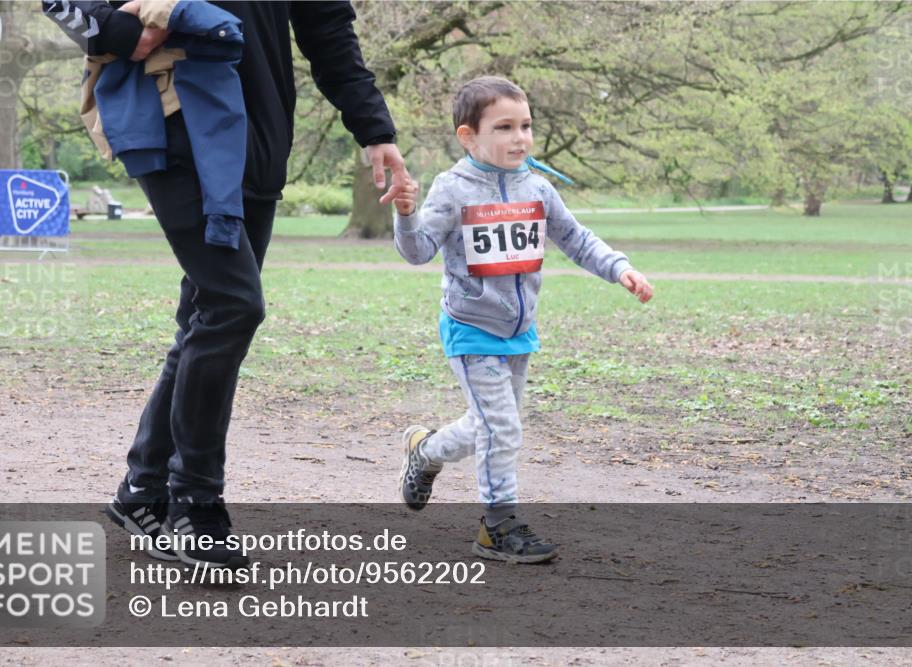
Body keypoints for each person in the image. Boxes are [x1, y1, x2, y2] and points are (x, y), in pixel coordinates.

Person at [43, 0, 411, 568]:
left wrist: (374, 127)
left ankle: (142, 488)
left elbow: (327, 28)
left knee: (208, 313)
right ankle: (195, 503)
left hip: (260, 134)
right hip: (171, 110)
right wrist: (111, 29)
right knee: (233, 304)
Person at [393, 76, 654, 564]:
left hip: (519, 332)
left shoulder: (537, 186)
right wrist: (406, 214)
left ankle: (424, 452)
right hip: (471, 330)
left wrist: (620, 268)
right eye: (505, 127)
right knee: (503, 429)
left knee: (487, 427)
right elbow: (418, 251)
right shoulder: (451, 189)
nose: (520, 138)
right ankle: (497, 526)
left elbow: (576, 239)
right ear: (468, 136)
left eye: (526, 126)